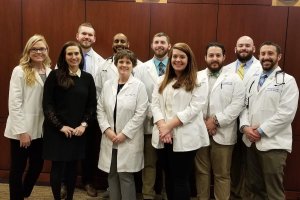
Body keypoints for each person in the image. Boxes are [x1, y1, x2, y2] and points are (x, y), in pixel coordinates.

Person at [240, 41, 299, 199]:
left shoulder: (288, 81)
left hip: (273, 144)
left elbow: (286, 114)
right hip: (251, 142)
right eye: (263, 54)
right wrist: (245, 127)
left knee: (273, 190)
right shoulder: (252, 81)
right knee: (254, 186)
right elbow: (244, 106)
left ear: (278, 56)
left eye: (270, 54)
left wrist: (259, 131)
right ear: (258, 56)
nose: (266, 57)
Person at [151, 43, 209, 200]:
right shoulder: (161, 80)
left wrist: (168, 126)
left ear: (189, 59)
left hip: (185, 136)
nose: (178, 60)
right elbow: (154, 105)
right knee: (168, 176)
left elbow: (194, 108)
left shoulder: (199, 80)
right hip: (164, 136)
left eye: (182, 57)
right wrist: (163, 127)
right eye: (175, 56)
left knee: (180, 179)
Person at [43, 41, 97, 200]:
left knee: (73, 168)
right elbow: (47, 105)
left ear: (81, 56)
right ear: (64, 57)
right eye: (70, 54)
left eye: (77, 53)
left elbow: (92, 106)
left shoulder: (88, 78)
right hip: (57, 131)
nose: (74, 57)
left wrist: (84, 125)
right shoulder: (55, 75)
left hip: (78, 132)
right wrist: (60, 126)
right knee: (58, 168)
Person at [195, 42, 245, 200]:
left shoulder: (235, 78)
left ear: (224, 57)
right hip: (199, 132)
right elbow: (190, 102)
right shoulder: (196, 77)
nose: (214, 58)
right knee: (201, 172)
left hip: (223, 132)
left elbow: (238, 104)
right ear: (205, 57)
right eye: (211, 55)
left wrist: (215, 121)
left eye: (218, 55)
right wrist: (203, 122)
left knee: (222, 175)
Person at [4, 34, 51, 200]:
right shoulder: (20, 71)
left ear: (47, 50)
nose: (39, 51)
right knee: (18, 168)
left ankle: (23, 194)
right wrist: (22, 131)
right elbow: (14, 104)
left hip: (41, 130)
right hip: (22, 130)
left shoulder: (50, 71)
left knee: (37, 165)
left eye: (42, 48)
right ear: (28, 51)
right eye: (35, 49)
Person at [97, 49, 148, 200]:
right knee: (112, 174)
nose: (124, 65)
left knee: (125, 176)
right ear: (116, 64)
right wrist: (107, 130)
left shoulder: (139, 86)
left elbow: (141, 113)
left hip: (127, 139)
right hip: (110, 137)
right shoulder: (108, 85)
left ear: (133, 65)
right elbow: (100, 109)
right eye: (121, 62)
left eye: (128, 62)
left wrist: (124, 134)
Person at [62, 22, 103, 198]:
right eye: (83, 34)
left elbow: (101, 90)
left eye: (90, 35)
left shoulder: (102, 62)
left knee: (90, 151)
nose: (86, 37)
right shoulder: (65, 58)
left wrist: (90, 116)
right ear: (77, 36)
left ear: (94, 38)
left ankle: (88, 181)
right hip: (68, 114)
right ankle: (64, 182)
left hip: (90, 114)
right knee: (66, 150)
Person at [223, 36, 262, 199]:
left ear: (254, 49)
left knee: (252, 166)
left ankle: (249, 196)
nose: (244, 48)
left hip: (252, 125)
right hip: (228, 122)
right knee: (232, 164)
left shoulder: (262, 68)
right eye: (240, 45)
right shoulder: (226, 69)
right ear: (235, 49)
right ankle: (234, 194)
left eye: (247, 45)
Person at [134, 32, 171, 200]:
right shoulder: (141, 69)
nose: (159, 45)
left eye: (163, 42)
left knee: (168, 165)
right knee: (149, 163)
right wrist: (156, 117)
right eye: (156, 42)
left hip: (171, 126)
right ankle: (148, 194)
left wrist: (165, 122)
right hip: (149, 124)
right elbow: (139, 96)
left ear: (169, 45)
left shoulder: (177, 64)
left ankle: (165, 193)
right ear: (152, 45)